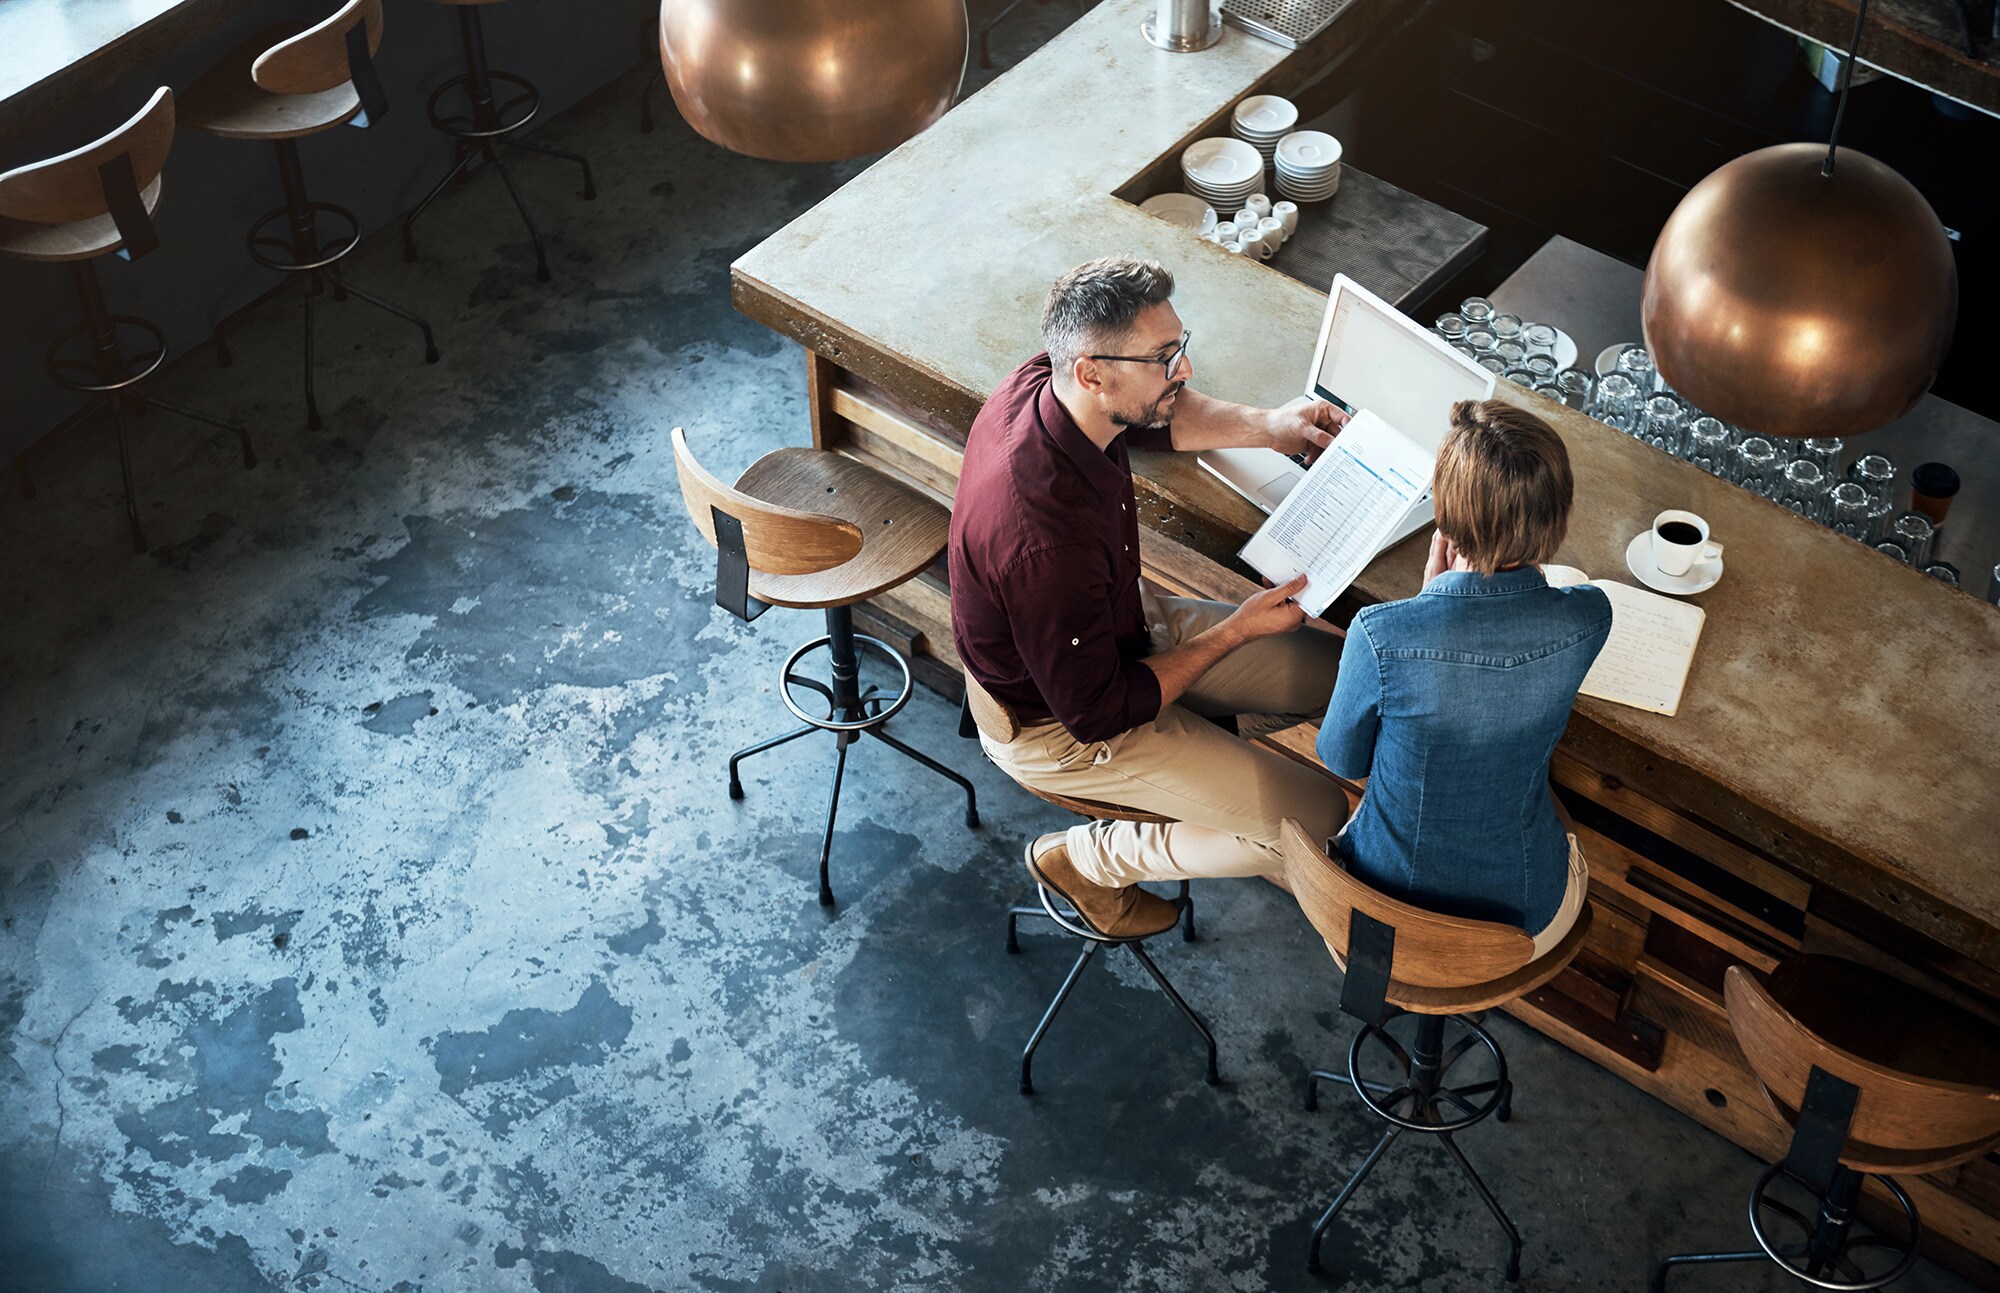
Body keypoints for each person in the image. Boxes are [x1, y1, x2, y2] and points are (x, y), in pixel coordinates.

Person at [951, 256, 1350, 940]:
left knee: (1342, 675)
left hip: (1118, 626)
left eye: (1180, 348)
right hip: (1063, 722)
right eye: (1165, 358)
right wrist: (1233, 633)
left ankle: (1215, 758)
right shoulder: (1044, 541)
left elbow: (1150, 416)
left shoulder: (1049, 381)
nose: (1185, 371)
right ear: (1091, 372)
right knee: (1314, 818)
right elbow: (1098, 711)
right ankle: (1087, 861)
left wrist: (1270, 425)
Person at [1317, 398, 1612, 954]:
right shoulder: (1591, 616)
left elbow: (1342, 761)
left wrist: (1430, 600)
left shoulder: (1381, 636)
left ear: (1444, 518)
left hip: (1383, 918)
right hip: (1521, 927)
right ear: (1559, 515)